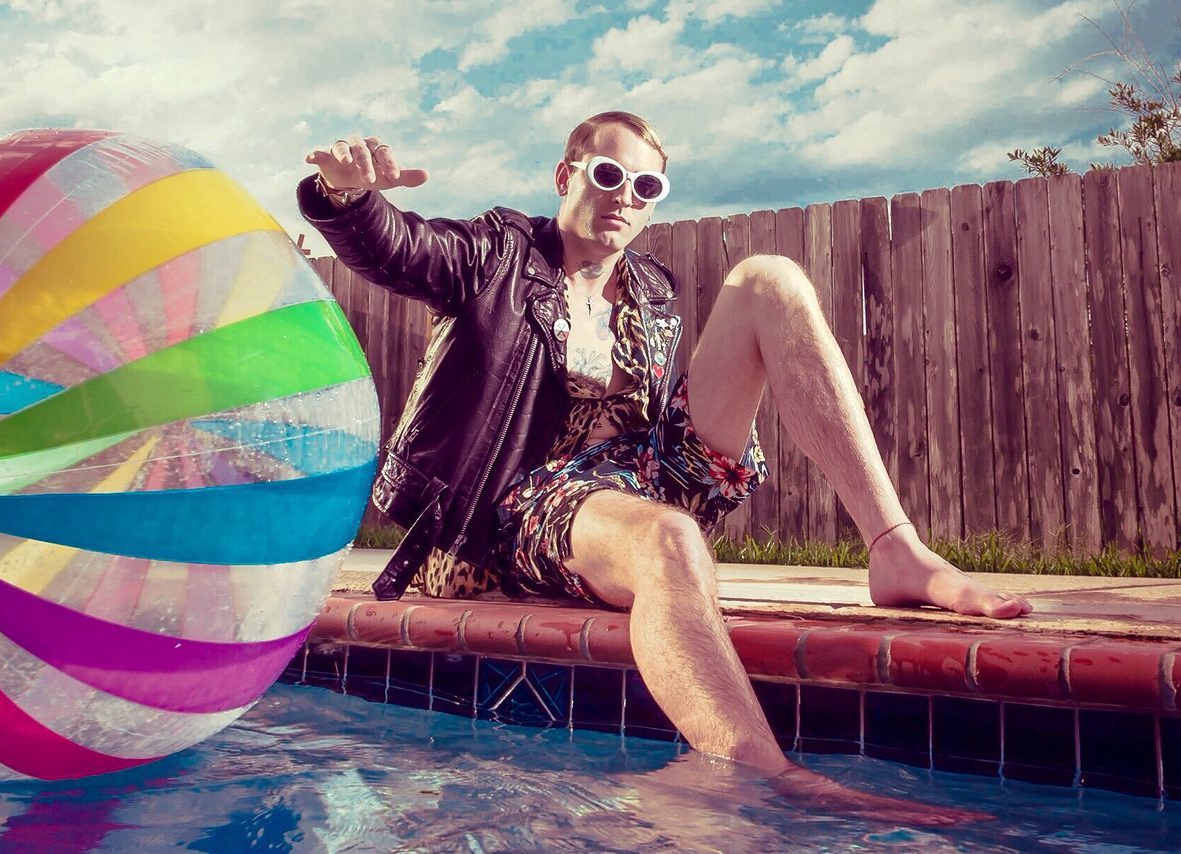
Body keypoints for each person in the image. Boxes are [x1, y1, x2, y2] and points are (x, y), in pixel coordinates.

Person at [298, 111, 1032, 778]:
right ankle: (759, 779)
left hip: (635, 474)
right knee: (669, 541)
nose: (626, 195)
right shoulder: (496, 255)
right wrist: (349, 198)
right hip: (523, 509)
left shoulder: (651, 290)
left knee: (769, 279)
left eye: (646, 185)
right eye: (609, 174)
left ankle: (894, 546)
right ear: (567, 175)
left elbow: (656, 424)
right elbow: (402, 249)